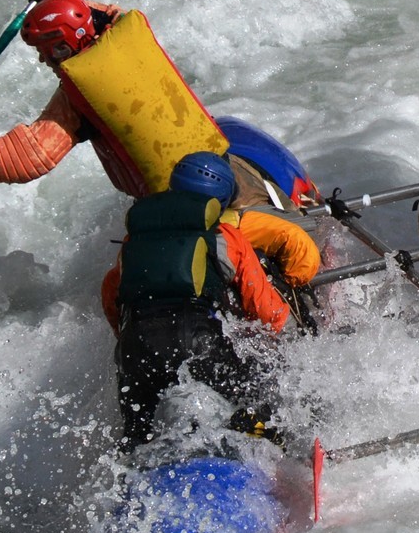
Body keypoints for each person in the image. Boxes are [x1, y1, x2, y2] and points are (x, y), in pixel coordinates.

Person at [0, 0, 321, 293]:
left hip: (179, 210)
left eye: (48, 51)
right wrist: (54, 2)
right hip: (224, 167)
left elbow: (29, 158)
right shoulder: (127, 29)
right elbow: (100, 12)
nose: (42, 61)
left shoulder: (79, 95)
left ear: (68, 45)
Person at [100, 151, 291, 448]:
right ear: (222, 201)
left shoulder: (134, 239)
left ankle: (128, 476)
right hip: (196, 339)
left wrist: (130, 336)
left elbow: (111, 295)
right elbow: (268, 314)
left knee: (136, 436)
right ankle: (277, 453)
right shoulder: (226, 236)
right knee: (254, 402)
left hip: (134, 347)